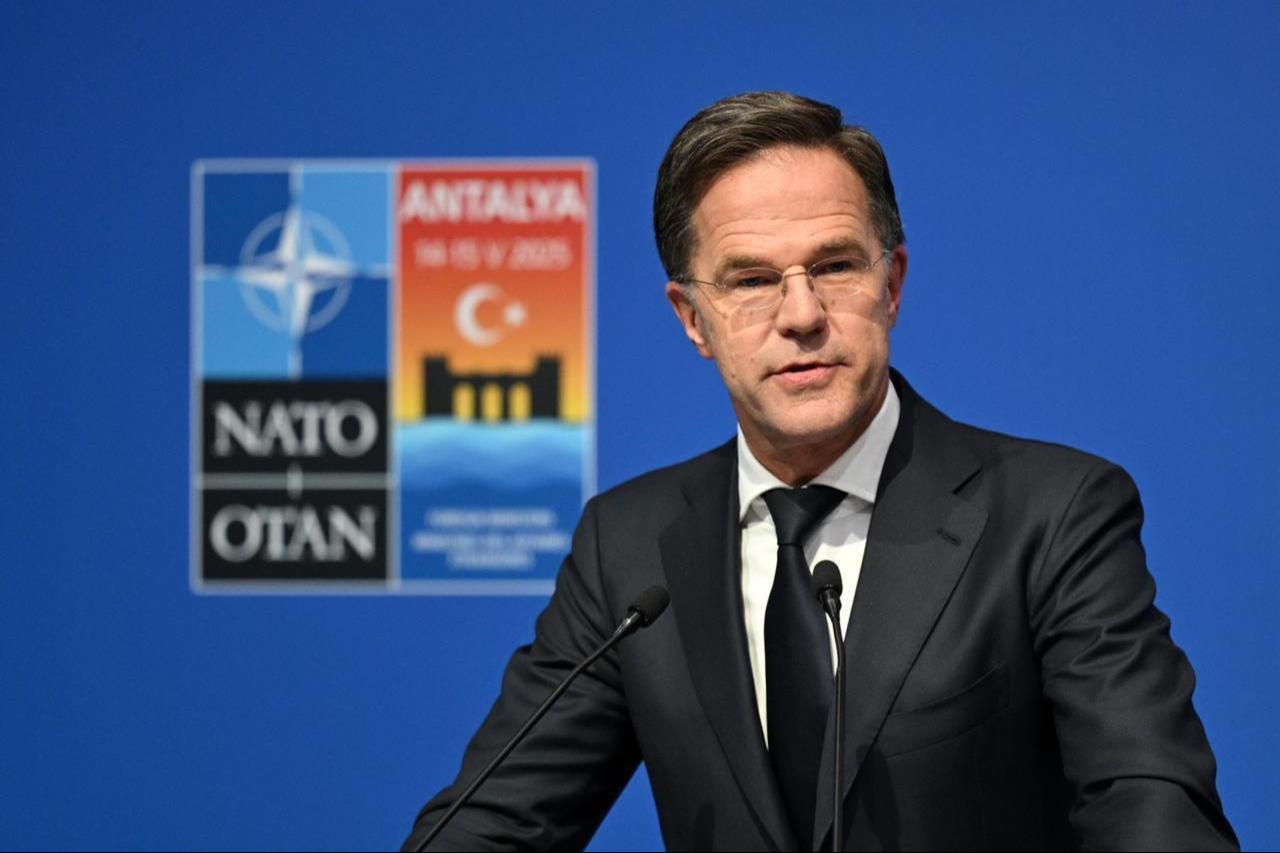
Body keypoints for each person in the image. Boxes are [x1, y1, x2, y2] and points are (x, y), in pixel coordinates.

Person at [402, 91, 1237, 852]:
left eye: (835, 266)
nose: (801, 314)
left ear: (892, 284)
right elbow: (495, 822)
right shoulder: (628, 548)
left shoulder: (1052, 515)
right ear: (692, 318)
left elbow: (1150, 805)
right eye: (752, 280)